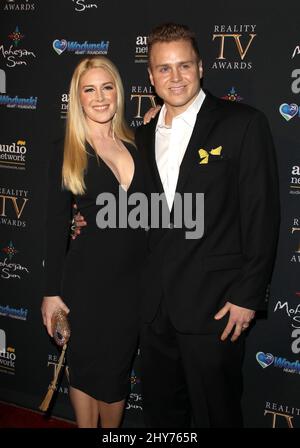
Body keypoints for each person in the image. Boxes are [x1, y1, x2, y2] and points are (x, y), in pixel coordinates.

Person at [74, 23, 280, 427]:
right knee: (164, 416)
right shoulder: (142, 135)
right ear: (150, 77)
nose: (175, 77)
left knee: (216, 414)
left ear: (201, 67)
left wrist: (248, 295)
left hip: (216, 307)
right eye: (163, 69)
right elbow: (132, 209)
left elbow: (263, 216)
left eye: (184, 65)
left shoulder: (243, 124)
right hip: (153, 309)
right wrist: (85, 222)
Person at [41, 56, 147, 428]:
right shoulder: (67, 150)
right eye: (90, 89)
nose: (100, 98)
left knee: (116, 374)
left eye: (107, 87)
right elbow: (55, 227)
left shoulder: (138, 143)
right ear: (78, 97)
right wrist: (51, 294)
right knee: (83, 367)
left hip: (133, 285)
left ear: (119, 92)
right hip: (85, 282)